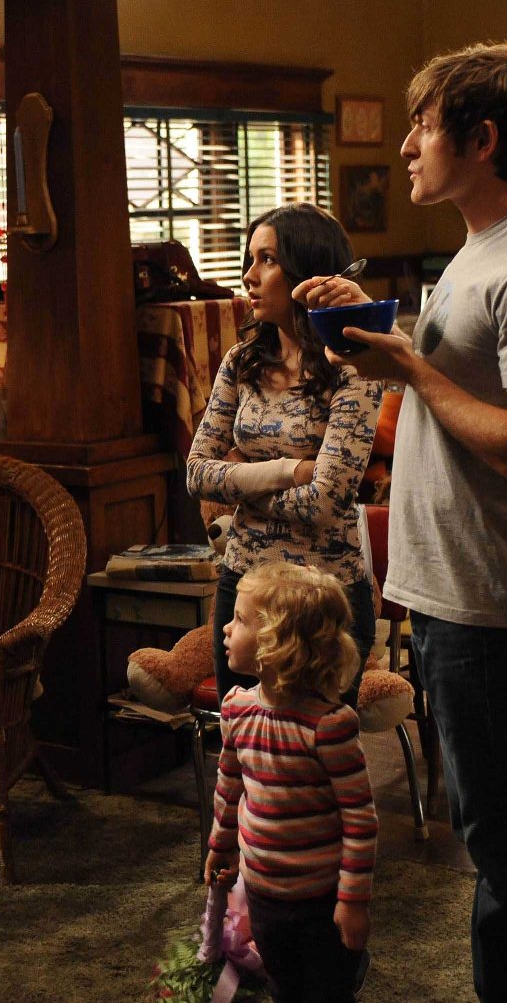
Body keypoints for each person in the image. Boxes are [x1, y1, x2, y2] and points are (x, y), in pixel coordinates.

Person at [297, 42, 507, 1002]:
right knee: (501, 840)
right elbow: (452, 392)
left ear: (482, 140)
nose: (404, 146)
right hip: (452, 592)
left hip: (492, 600)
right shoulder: (481, 251)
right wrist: (377, 334)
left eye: (423, 126)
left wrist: (409, 366)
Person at [186, 203, 384, 707]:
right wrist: (288, 471)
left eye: (268, 260)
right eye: (250, 259)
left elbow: (325, 502)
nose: (249, 276)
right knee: (240, 738)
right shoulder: (241, 361)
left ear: (308, 271)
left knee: (320, 744)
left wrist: (241, 484)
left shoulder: (354, 367)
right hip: (245, 591)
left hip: (323, 599)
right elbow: (197, 473)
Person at [205, 561, 376, 1003]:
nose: (225, 628)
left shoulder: (329, 726)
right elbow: (229, 784)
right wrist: (221, 845)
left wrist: (353, 901)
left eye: (240, 619)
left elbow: (360, 820)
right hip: (262, 893)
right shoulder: (236, 709)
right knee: (282, 984)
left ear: (277, 642)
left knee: (326, 991)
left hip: (320, 901)